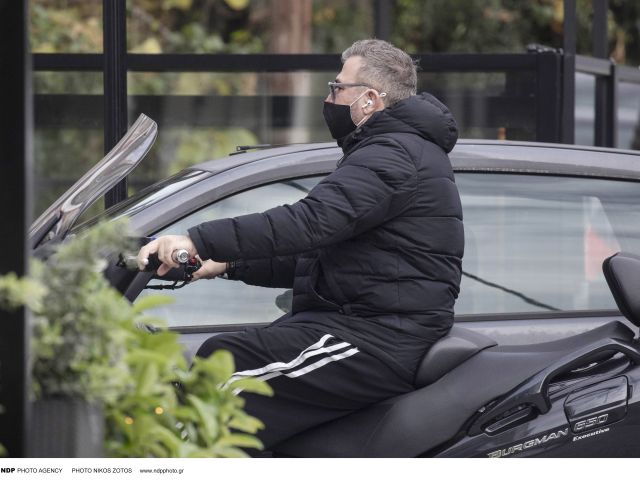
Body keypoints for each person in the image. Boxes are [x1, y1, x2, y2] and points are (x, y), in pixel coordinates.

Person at [137, 39, 464, 450]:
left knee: (222, 378)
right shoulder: (391, 149)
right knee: (222, 359)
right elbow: (326, 257)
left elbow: (307, 223)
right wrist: (226, 264)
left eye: (337, 88)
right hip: (355, 324)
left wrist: (197, 238)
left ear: (369, 100)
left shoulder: (394, 154)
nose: (329, 98)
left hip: (377, 338)